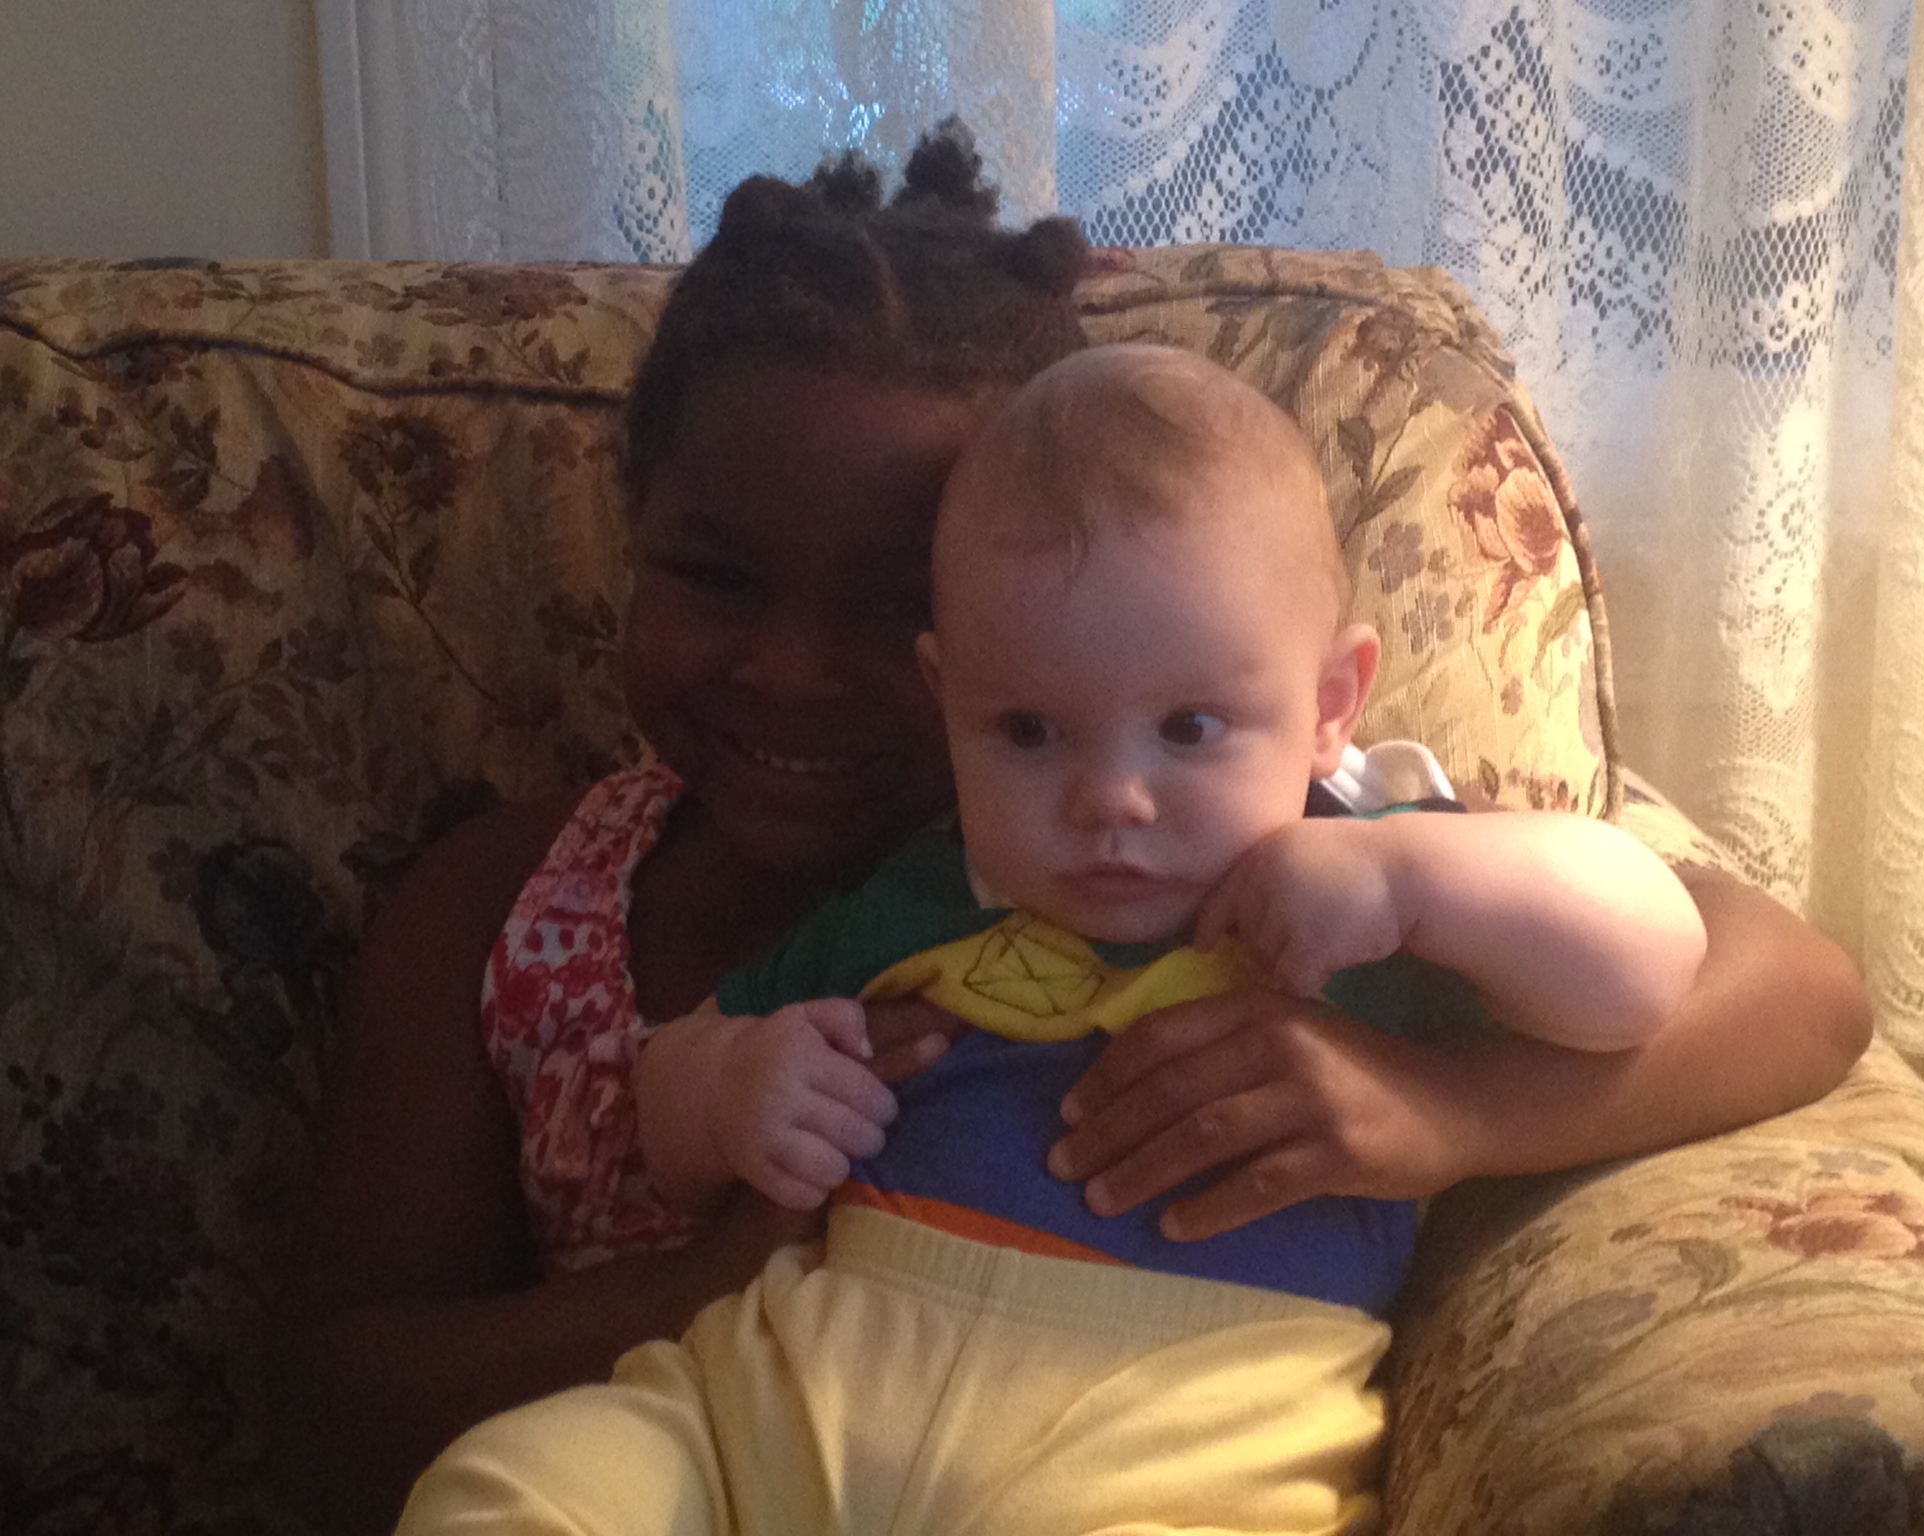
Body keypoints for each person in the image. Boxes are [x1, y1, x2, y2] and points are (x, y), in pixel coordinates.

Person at [264, 124, 1872, 1536]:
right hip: (745, 1422)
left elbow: (1790, 989)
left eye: (886, 597)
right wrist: (716, 1263)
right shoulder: (514, 908)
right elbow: (335, 1421)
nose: (796, 671)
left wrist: (1443, 1107)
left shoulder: (1305, 861)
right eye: (715, 577)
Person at [393, 341, 1715, 1533]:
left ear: (1329, 704)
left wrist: (1418, 879)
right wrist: (733, 1089)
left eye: (1191, 728)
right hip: (778, 1416)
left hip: (1178, 1457)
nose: (1109, 801)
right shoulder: (920, 890)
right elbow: (664, 1111)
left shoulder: (1370, 880)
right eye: (1028, 731)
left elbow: (1652, 963)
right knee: (509, 1488)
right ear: (948, 699)